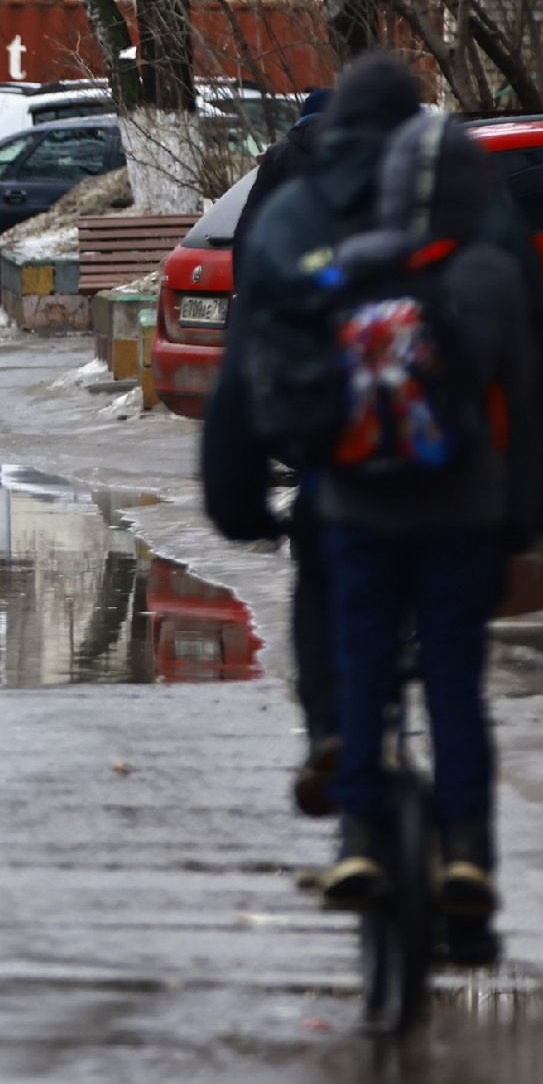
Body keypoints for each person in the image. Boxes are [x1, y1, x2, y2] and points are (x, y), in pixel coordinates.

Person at [236, 51, 543, 926]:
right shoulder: (487, 248)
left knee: (359, 653)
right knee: (455, 679)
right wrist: (529, 506)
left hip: (351, 499)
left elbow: (261, 353)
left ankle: (357, 828)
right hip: (466, 506)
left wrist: (249, 482)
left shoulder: (329, 241)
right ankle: (467, 855)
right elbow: (536, 382)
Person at [201, 87, 342, 817]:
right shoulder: (435, 222)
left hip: (340, 481)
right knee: (445, 652)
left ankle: (328, 738)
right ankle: (467, 849)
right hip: (446, 485)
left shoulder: (282, 188)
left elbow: (238, 403)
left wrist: (247, 511)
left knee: (321, 600)